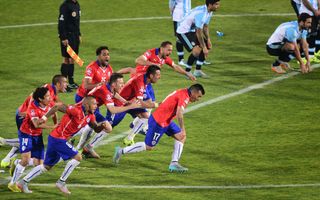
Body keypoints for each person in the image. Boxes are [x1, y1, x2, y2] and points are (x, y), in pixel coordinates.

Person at [16, 96, 108, 194]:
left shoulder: (90, 116)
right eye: (94, 104)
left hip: (56, 139)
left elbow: (95, 128)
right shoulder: (75, 110)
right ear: (86, 104)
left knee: (46, 166)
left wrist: (101, 126)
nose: (96, 106)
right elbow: (57, 107)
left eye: (96, 104)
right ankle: (61, 182)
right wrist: (43, 118)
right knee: (78, 157)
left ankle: (22, 182)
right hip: (58, 139)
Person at [113, 84, 205, 173]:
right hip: (159, 122)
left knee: (181, 137)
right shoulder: (184, 96)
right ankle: (121, 151)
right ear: (194, 92)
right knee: (149, 146)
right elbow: (179, 113)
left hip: (166, 121)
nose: (198, 99)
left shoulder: (183, 92)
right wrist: (182, 129)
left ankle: (174, 163)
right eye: (198, 96)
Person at [0, 75, 67, 168]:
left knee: (27, 143)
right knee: (26, 139)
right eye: (65, 82)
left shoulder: (51, 91)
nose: (67, 85)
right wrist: (29, 112)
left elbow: (55, 107)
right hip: (23, 115)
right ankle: (5, 142)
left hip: (28, 115)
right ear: (58, 84)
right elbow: (33, 98)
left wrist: (56, 122)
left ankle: (7, 159)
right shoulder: (48, 91)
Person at [8, 87, 59, 192]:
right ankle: (12, 184)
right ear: (40, 99)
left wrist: (56, 122)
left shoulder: (49, 103)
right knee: (26, 159)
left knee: (39, 163)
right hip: (26, 134)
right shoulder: (33, 108)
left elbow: (54, 111)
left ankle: (17, 163)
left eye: (50, 95)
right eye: (47, 96)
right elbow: (36, 124)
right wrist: (52, 127)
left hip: (37, 135)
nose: (50, 98)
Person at [79, 73, 141, 158]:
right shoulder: (105, 91)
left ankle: (86, 147)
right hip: (86, 109)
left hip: (91, 108)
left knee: (99, 127)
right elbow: (112, 110)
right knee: (105, 127)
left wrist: (125, 102)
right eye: (120, 83)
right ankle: (83, 147)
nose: (123, 85)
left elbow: (114, 94)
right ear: (114, 84)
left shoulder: (108, 87)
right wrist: (130, 106)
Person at [176, 0, 220, 78]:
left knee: (206, 45)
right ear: (210, 4)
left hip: (191, 31)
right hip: (183, 31)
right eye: (216, 4)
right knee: (196, 50)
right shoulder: (201, 13)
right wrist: (204, 47)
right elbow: (198, 32)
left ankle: (197, 71)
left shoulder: (209, 11)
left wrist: (208, 40)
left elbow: (205, 26)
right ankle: (187, 72)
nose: (218, 6)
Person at [58, 0, 81, 92]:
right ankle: (63, 85)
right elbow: (61, 23)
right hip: (67, 36)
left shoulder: (76, 4)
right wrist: (63, 37)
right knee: (66, 59)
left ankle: (71, 82)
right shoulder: (65, 6)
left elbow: (77, 22)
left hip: (75, 36)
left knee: (73, 58)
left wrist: (79, 34)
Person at [169, 0, 192, 66]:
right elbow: (171, 2)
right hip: (179, 17)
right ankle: (180, 60)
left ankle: (197, 57)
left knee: (191, 35)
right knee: (179, 38)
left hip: (188, 16)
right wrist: (171, 12)